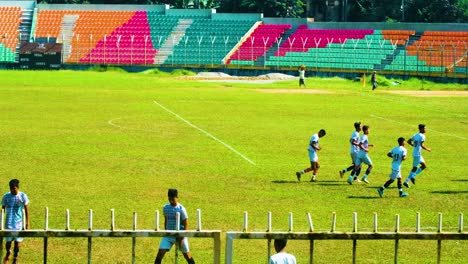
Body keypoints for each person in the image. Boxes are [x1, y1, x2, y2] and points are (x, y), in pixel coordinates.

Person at [155, 189, 195, 264]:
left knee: (187, 255)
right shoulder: (165, 208)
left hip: (180, 235)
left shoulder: (181, 209)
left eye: (173, 199)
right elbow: (166, 220)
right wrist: (166, 232)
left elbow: (186, 223)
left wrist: (183, 237)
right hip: (169, 235)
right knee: (160, 252)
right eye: (169, 199)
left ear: (177, 197)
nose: (171, 201)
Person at [2, 179, 30, 264]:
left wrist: (27, 223)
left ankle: (15, 258)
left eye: (14, 188)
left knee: (17, 243)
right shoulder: (6, 196)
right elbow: (2, 209)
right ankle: (8, 252)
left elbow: (26, 210)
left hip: (19, 224)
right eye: (11, 188)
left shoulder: (22, 196)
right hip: (8, 223)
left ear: (17, 188)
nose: (12, 190)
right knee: (8, 242)